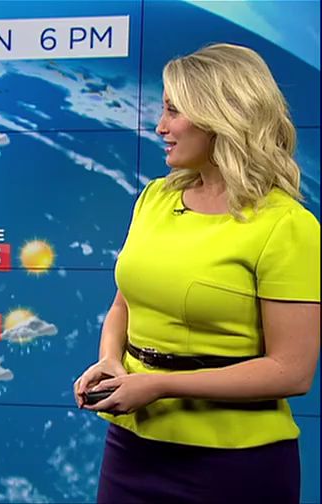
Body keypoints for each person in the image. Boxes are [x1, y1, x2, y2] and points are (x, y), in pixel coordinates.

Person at [73, 43, 320, 503]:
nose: (160, 127)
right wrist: (110, 361)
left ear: (221, 117)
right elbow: (124, 305)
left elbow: (292, 371)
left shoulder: (287, 226)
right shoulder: (155, 199)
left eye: (174, 111)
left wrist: (161, 385)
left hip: (235, 463)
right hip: (132, 448)